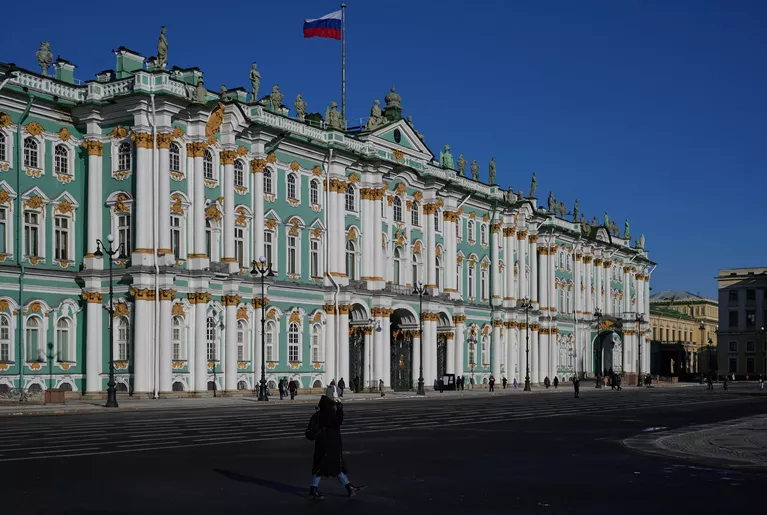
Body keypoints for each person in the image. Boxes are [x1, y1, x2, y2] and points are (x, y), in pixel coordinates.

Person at [309, 395, 364, 499]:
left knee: (322, 466)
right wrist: (340, 410)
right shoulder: (328, 414)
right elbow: (337, 422)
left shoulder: (317, 414)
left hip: (321, 444)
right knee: (333, 466)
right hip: (331, 445)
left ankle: (348, 487)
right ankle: (348, 488)